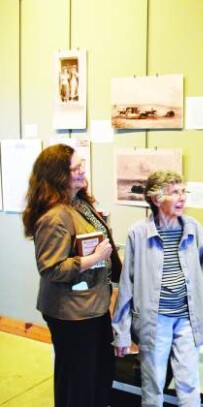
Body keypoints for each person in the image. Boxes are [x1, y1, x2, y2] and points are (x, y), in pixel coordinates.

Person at [22, 143, 122, 407]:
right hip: (72, 314)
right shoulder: (54, 217)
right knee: (78, 381)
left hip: (91, 307)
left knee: (98, 374)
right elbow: (51, 268)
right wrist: (93, 259)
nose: (82, 171)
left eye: (81, 164)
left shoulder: (77, 203)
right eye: (75, 167)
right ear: (58, 175)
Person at [112, 170, 203, 406]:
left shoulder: (194, 228)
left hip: (187, 319)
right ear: (157, 200)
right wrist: (122, 332)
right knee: (154, 383)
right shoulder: (138, 232)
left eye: (183, 191)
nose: (182, 198)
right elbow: (127, 284)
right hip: (155, 320)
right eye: (174, 192)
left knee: (188, 382)